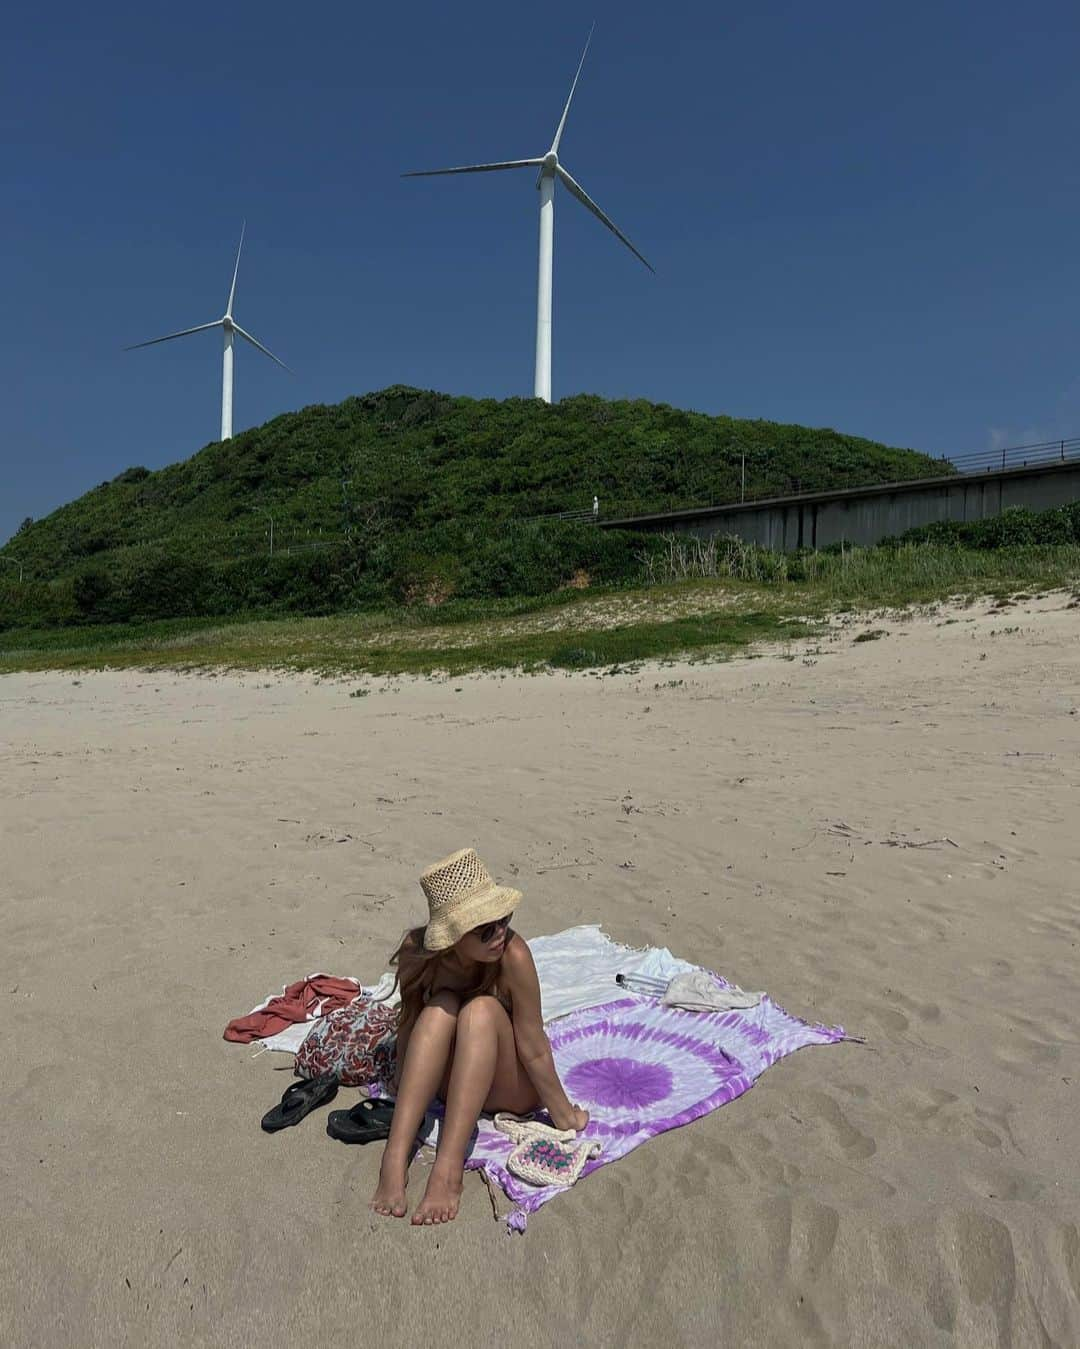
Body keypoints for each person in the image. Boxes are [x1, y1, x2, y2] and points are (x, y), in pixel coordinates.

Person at [370, 848, 589, 1225]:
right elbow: (409, 1025)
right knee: (439, 1009)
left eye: (504, 919)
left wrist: (564, 1114)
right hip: (454, 1082)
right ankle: (395, 1155)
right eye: (485, 929)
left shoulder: (513, 956)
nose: (500, 933)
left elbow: (533, 1047)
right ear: (451, 938)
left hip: (510, 1086)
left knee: (481, 1011)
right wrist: (403, 1089)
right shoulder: (417, 956)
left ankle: (447, 1169)